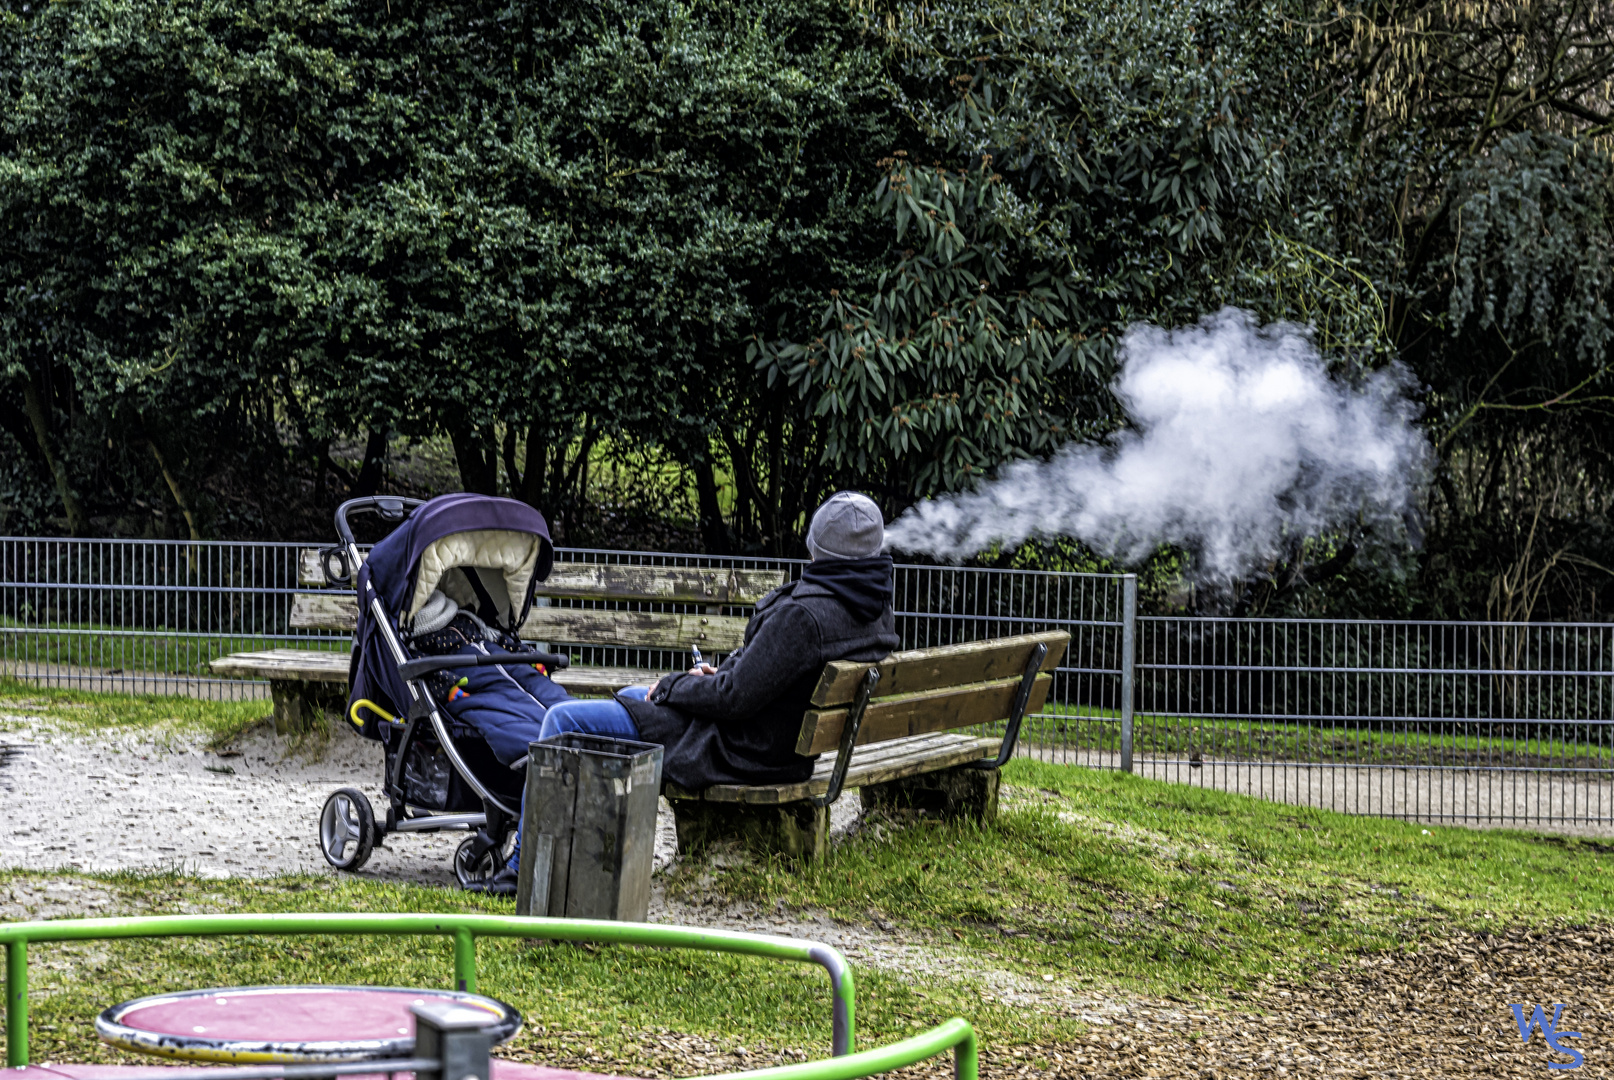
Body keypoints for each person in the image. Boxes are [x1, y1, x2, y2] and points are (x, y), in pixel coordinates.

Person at [481, 491, 899, 894]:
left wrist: (672, 686)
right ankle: (589, 850)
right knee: (630, 694)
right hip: (778, 745)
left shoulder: (804, 615)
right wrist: (715, 676)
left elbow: (734, 698)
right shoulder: (870, 607)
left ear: (816, 548)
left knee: (563, 720)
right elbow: (764, 679)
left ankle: (523, 870)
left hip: (743, 750)